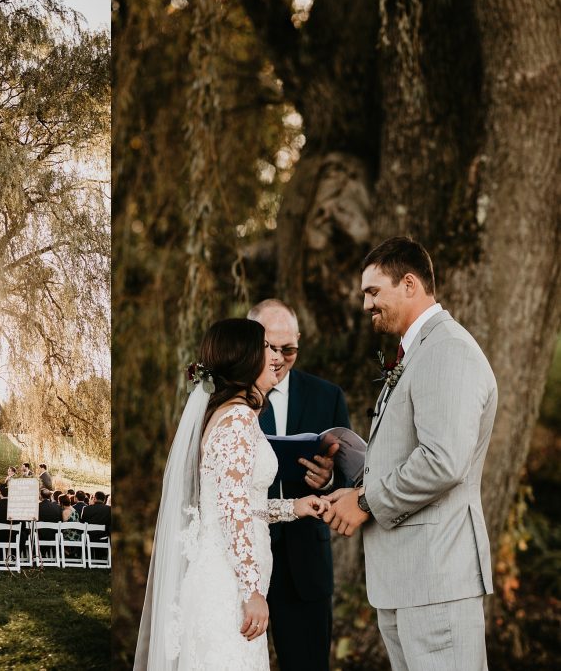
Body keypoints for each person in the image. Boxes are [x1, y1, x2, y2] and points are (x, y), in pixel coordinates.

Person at [322, 237, 497, 670]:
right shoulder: (418, 352)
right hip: (409, 582)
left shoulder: (448, 350)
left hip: (437, 583)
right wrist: (347, 470)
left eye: (373, 291)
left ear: (410, 283)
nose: (365, 304)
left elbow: (443, 460)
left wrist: (365, 501)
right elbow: (411, 450)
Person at [134, 318, 329, 670]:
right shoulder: (237, 419)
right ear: (246, 358)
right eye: (266, 348)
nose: (275, 356)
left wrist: (294, 508)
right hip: (227, 587)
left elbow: (240, 502)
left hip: (228, 577)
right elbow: (232, 508)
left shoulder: (232, 416)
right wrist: (251, 590)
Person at [246, 299, 351, 671]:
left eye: (288, 349)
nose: (279, 357)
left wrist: (330, 478)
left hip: (304, 560)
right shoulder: (228, 399)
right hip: (244, 560)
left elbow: (351, 475)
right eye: (269, 347)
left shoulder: (328, 396)